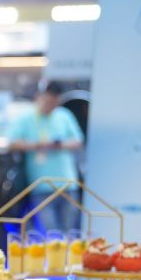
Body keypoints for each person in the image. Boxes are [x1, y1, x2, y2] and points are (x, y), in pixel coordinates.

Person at [7, 81, 84, 234]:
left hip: (67, 184)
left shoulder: (64, 115)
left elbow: (78, 141)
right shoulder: (26, 118)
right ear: (39, 97)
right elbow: (12, 143)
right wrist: (38, 145)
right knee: (51, 232)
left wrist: (58, 145)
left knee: (69, 231)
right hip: (41, 185)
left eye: (54, 102)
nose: (51, 106)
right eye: (48, 101)